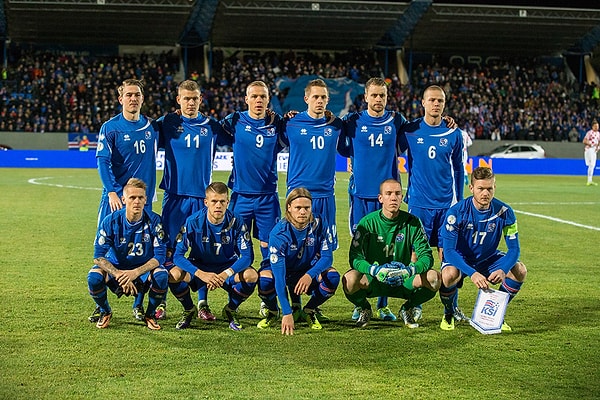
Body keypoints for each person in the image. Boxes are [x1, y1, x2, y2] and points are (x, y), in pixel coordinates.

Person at [337, 77, 409, 322]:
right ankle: (361, 303)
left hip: (387, 197)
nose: (378, 100)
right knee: (361, 251)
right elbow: (341, 146)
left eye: (383, 96)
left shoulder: (397, 120)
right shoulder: (352, 121)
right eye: (374, 95)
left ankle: (383, 304)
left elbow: (409, 140)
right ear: (365, 97)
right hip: (360, 196)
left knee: (389, 251)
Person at [155, 79, 225, 321]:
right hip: (174, 198)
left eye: (195, 98)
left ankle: (203, 303)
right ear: (179, 100)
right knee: (168, 249)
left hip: (201, 199)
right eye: (186, 98)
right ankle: (160, 300)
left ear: (200, 99)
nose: (191, 103)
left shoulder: (213, 126)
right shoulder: (168, 123)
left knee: (200, 250)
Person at [91, 78, 159, 324]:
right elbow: (102, 161)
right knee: (107, 251)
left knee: (144, 251)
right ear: (120, 99)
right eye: (128, 95)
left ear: (142, 98)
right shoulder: (110, 128)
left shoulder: (153, 127)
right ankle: (103, 307)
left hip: (144, 202)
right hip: (116, 200)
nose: (133, 99)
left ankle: (138, 305)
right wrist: (112, 190)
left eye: (137, 95)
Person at [398, 84, 464, 324]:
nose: (436, 104)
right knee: (417, 257)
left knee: (449, 256)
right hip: (419, 204)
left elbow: (458, 168)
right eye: (432, 100)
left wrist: (460, 201)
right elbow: (386, 148)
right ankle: (413, 305)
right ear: (423, 103)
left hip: (447, 206)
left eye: (440, 101)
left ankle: (452, 308)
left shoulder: (453, 133)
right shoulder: (410, 130)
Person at [343, 179, 441, 328]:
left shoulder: (413, 222)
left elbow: (427, 257)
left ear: (402, 197)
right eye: (388, 193)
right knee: (349, 279)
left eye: (397, 194)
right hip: (375, 278)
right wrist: (374, 270)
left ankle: (407, 308)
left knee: (434, 279)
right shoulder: (367, 223)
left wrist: (409, 270)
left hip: (403, 278)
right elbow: (355, 257)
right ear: (380, 198)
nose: (393, 197)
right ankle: (364, 308)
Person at [439, 167, 527, 331]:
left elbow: (514, 249)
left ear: (494, 188)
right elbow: (449, 251)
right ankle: (449, 313)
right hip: (460, 258)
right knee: (449, 275)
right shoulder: (456, 212)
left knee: (519, 270)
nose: (485, 193)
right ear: (471, 188)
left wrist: (502, 269)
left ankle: (496, 314)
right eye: (480, 189)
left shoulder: (505, 212)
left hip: (487, 258)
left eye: (489, 188)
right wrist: (472, 273)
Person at [170, 182, 257, 331]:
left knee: (251, 275)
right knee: (174, 274)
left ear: (227, 202)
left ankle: (231, 309)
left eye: (222, 201)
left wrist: (225, 274)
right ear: (206, 202)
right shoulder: (193, 222)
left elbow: (248, 256)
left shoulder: (237, 221)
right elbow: (177, 256)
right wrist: (200, 274)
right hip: (200, 267)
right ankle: (189, 309)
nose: (218, 205)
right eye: (214, 201)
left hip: (226, 267)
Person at [87, 178, 168, 330]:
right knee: (94, 277)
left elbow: (160, 256)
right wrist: (118, 274)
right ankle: (105, 311)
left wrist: (135, 273)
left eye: (140, 197)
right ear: (124, 200)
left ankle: (150, 315)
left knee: (162, 275)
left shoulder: (155, 221)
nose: (136, 201)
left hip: (142, 269)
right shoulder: (110, 221)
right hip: (116, 267)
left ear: (146, 199)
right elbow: (98, 256)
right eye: (132, 197)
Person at [257, 188, 340, 335]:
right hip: (284, 272)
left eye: (306, 208)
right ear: (289, 207)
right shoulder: (279, 234)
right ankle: (273, 311)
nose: (302, 212)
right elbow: (280, 278)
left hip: (307, 270)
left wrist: (309, 275)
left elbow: (327, 258)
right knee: (264, 280)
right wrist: (287, 313)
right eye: (298, 208)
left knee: (332, 277)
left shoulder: (319, 224)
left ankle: (309, 310)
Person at [220, 80, 285, 267]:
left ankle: (267, 290)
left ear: (268, 100)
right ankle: (238, 289)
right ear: (246, 99)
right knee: (235, 244)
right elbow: (212, 133)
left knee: (269, 245)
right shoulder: (234, 120)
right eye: (254, 96)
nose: (258, 100)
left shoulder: (277, 122)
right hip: (241, 195)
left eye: (262, 96)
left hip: (268, 196)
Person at [282, 79, 343, 252]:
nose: (320, 101)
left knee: (325, 247)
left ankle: (321, 278)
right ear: (306, 98)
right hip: (297, 193)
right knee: (294, 245)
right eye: (315, 97)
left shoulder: (336, 125)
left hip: (325, 194)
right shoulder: (290, 123)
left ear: (328, 100)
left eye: (323, 97)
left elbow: (351, 148)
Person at [583, 120, 600, 186]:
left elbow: (599, 141)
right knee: (592, 165)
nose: (597, 127)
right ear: (592, 126)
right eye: (595, 126)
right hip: (589, 149)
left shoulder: (598, 133)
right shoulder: (589, 133)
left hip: (594, 150)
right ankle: (589, 180)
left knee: (592, 165)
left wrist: (598, 147)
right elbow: (584, 141)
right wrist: (590, 144)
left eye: (597, 126)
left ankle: (589, 180)